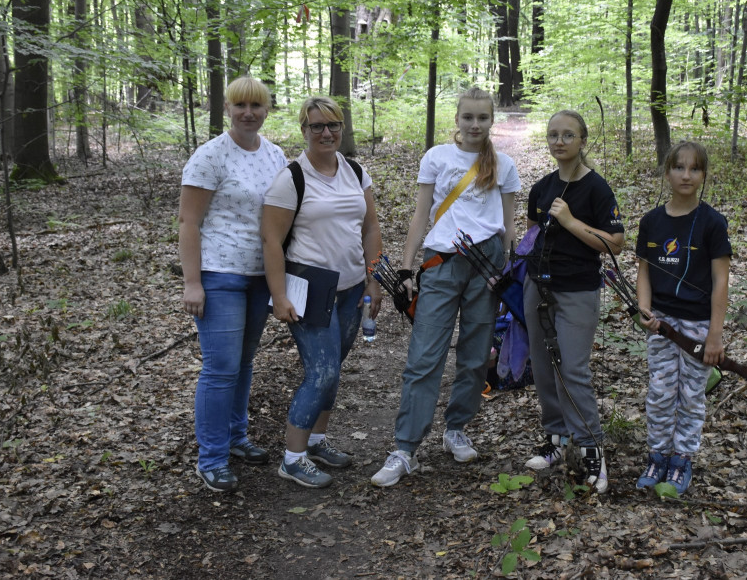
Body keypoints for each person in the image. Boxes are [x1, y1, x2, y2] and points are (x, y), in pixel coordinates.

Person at [370, 86, 520, 487]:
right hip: (440, 264)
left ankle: (457, 428)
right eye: (468, 117)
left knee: (474, 356)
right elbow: (421, 216)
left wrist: (508, 273)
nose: (475, 125)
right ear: (456, 118)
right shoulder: (436, 157)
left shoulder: (504, 165)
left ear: (492, 121)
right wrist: (405, 269)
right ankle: (405, 447)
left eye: (482, 118)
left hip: (486, 266)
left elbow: (508, 226)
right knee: (424, 358)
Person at [261, 96, 383, 488]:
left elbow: (370, 230)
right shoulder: (291, 178)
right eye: (317, 126)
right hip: (310, 292)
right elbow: (271, 241)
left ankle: (315, 442)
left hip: (350, 290)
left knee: (332, 372)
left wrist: (373, 279)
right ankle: (292, 459)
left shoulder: (355, 171)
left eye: (333, 125)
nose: (326, 133)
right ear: (304, 130)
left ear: (341, 128)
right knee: (322, 371)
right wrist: (279, 296)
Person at [179, 76, 288, 493]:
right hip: (220, 275)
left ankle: (237, 437)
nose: (248, 113)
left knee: (243, 364)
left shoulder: (274, 155)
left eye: (256, 106)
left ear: (266, 110)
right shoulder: (209, 157)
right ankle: (211, 458)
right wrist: (193, 282)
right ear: (227, 108)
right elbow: (189, 222)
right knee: (220, 369)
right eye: (240, 105)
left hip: (261, 276)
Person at [522, 110, 624, 495]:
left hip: (577, 289)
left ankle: (591, 447)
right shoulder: (542, 187)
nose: (559, 142)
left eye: (568, 135)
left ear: (583, 140)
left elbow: (615, 243)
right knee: (544, 367)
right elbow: (532, 236)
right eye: (553, 135)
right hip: (539, 288)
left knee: (572, 369)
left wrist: (570, 223)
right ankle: (557, 438)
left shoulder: (597, 189)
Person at [635, 140, 732, 495]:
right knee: (660, 392)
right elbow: (644, 270)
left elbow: (721, 280)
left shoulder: (712, 223)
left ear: (704, 175)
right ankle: (658, 455)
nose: (686, 175)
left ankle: (682, 460)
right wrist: (644, 309)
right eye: (679, 167)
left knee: (691, 395)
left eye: (694, 169)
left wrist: (714, 336)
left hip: (697, 324)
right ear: (667, 172)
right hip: (661, 322)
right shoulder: (651, 222)